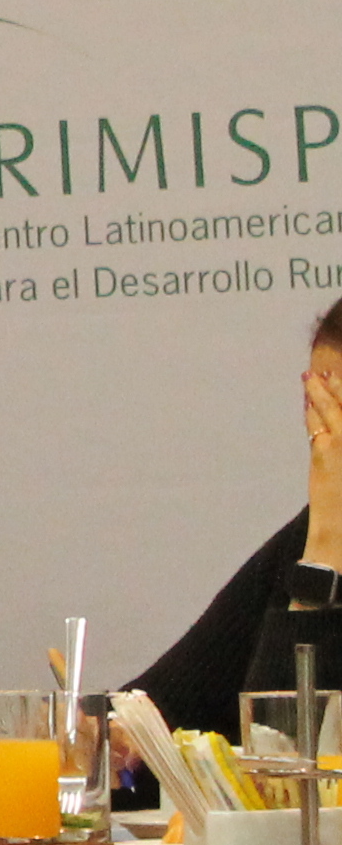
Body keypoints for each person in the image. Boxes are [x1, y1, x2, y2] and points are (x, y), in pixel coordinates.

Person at [122, 295, 342, 730]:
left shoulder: (327, 526)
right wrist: (109, 733)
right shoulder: (308, 530)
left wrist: (324, 553)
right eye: (316, 408)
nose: (325, 442)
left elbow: (288, 746)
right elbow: (167, 704)